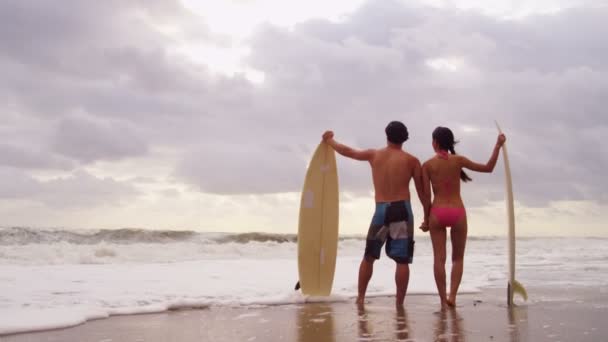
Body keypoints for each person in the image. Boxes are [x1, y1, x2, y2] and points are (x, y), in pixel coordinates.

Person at [322, 121, 429, 306]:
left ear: (386, 135)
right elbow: (422, 192)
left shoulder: (374, 155)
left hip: (381, 210)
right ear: (405, 138)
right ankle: (399, 304)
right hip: (401, 210)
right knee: (402, 260)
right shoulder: (412, 161)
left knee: (369, 257)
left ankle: (361, 298)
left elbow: (349, 152)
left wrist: (330, 141)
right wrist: (427, 216)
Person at [420, 126, 506, 307]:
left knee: (439, 259)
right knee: (457, 258)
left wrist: (426, 219)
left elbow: (426, 196)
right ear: (450, 143)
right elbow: (488, 168)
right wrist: (497, 146)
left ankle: (443, 300)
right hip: (457, 211)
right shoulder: (458, 160)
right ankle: (453, 297)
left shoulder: (427, 165)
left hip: (438, 211)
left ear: (435, 142)